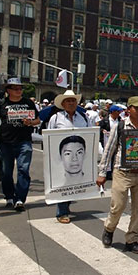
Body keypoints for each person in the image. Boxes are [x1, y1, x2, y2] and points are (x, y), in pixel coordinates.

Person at [97, 96, 138, 254]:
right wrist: (102, 172)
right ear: (129, 109)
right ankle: (109, 229)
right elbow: (109, 150)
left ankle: (132, 239)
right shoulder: (120, 126)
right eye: (136, 108)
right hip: (122, 172)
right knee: (118, 206)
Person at [0, 78, 40, 211]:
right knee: (6, 172)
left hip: (24, 141)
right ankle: (9, 197)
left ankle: (20, 199)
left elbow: (37, 120)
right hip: (5, 142)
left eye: (20, 88)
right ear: (8, 90)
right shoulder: (2, 103)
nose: (19, 91)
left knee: (23, 170)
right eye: (16, 88)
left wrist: (30, 123)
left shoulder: (28, 102)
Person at [46, 89, 91, 223]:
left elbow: (90, 135)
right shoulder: (56, 118)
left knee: (74, 182)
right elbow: (49, 137)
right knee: (62, 182)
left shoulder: (84, 117)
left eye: (73, 100)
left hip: (79, 155)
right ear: (63, 104)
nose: (71, 103)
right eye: (68, 101)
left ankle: (66, 204)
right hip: (62, 156)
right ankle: (62, 212)